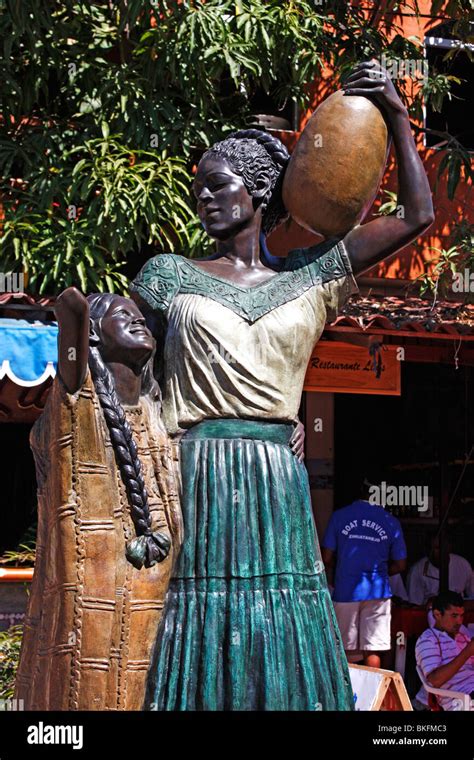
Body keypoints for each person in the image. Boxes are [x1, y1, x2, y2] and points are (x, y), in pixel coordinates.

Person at [131, 60, 433, 710]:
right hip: (198, 472)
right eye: (198, 192)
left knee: (282, 625)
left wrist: (399, 116)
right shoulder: (169, 276)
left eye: (217, 186)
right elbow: (127, 373)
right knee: (204, 627)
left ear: (261, 188)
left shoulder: (313, 276)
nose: (205, 200)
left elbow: (416, 215)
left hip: (275, 479)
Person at [14, 289, 182, 710]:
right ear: (93, 334)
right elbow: (71, 334)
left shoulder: (159, 414)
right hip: (93, 592)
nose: (136, 320)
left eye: (139, 316)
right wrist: (75, 316)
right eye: (121, 315)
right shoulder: (77, 401)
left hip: (159, 592)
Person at [322, 474, 407, 668]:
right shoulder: (391, 521)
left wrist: (342, 570)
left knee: (343, 650)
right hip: (378, 592)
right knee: (372, 649)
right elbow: (401, 565)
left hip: (346, 590)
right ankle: (371, 698)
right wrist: (381, 573)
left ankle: (345, 696)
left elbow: (325, 557)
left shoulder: (340, 516)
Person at [415, 591, 474, 710]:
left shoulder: (462, 637)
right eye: (454, 616)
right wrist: (468, 651)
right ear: (437, 614)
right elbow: (435, 681)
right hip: (460, 700)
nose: (460, 621)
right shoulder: (427, 640)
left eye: (461, 615)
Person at [407, 534, 474, 606]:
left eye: (442, 547)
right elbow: (415, 606)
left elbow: (472, 596)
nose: (441, 551)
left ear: (449, 547)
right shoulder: (417, 570)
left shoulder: (463, 564)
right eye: (435, 548)